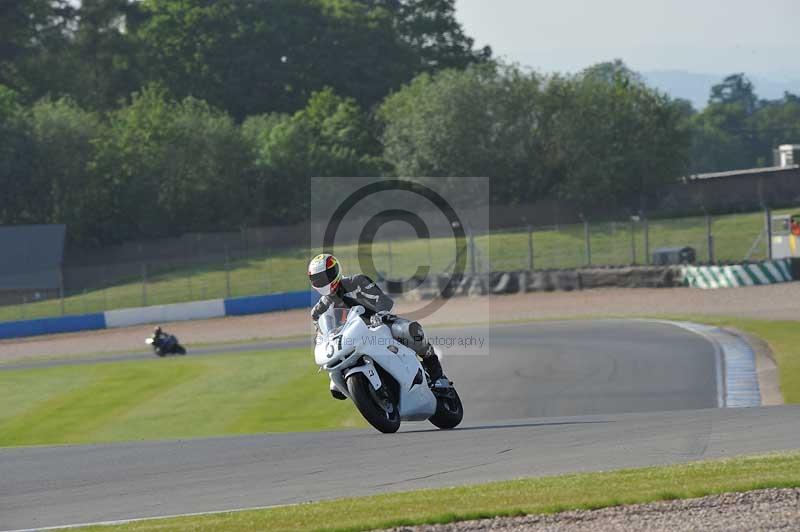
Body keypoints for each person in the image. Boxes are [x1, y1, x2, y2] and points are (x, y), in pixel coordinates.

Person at [308, 253, 447, 399]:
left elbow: (382, 298)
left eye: (325, 276)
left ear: (336, 271)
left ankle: (437, 373)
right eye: (317, 279)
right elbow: (322, 332)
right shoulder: (318, 311)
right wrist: (320, 340)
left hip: (379, 323)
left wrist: (380, 314)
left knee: (411, 330)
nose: (322, 281)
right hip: (350, 338)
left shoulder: (357, 281)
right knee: (336, 386)